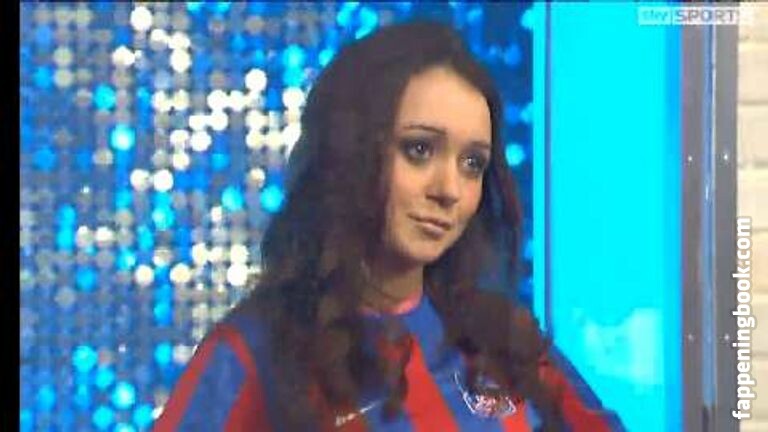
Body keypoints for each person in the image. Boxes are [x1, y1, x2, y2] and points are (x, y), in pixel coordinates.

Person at [153, 20, 625, 431]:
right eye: (419, 150)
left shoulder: (501, 339)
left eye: (472, 163)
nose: (449, 189)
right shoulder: (254, 354)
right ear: (349, 152)